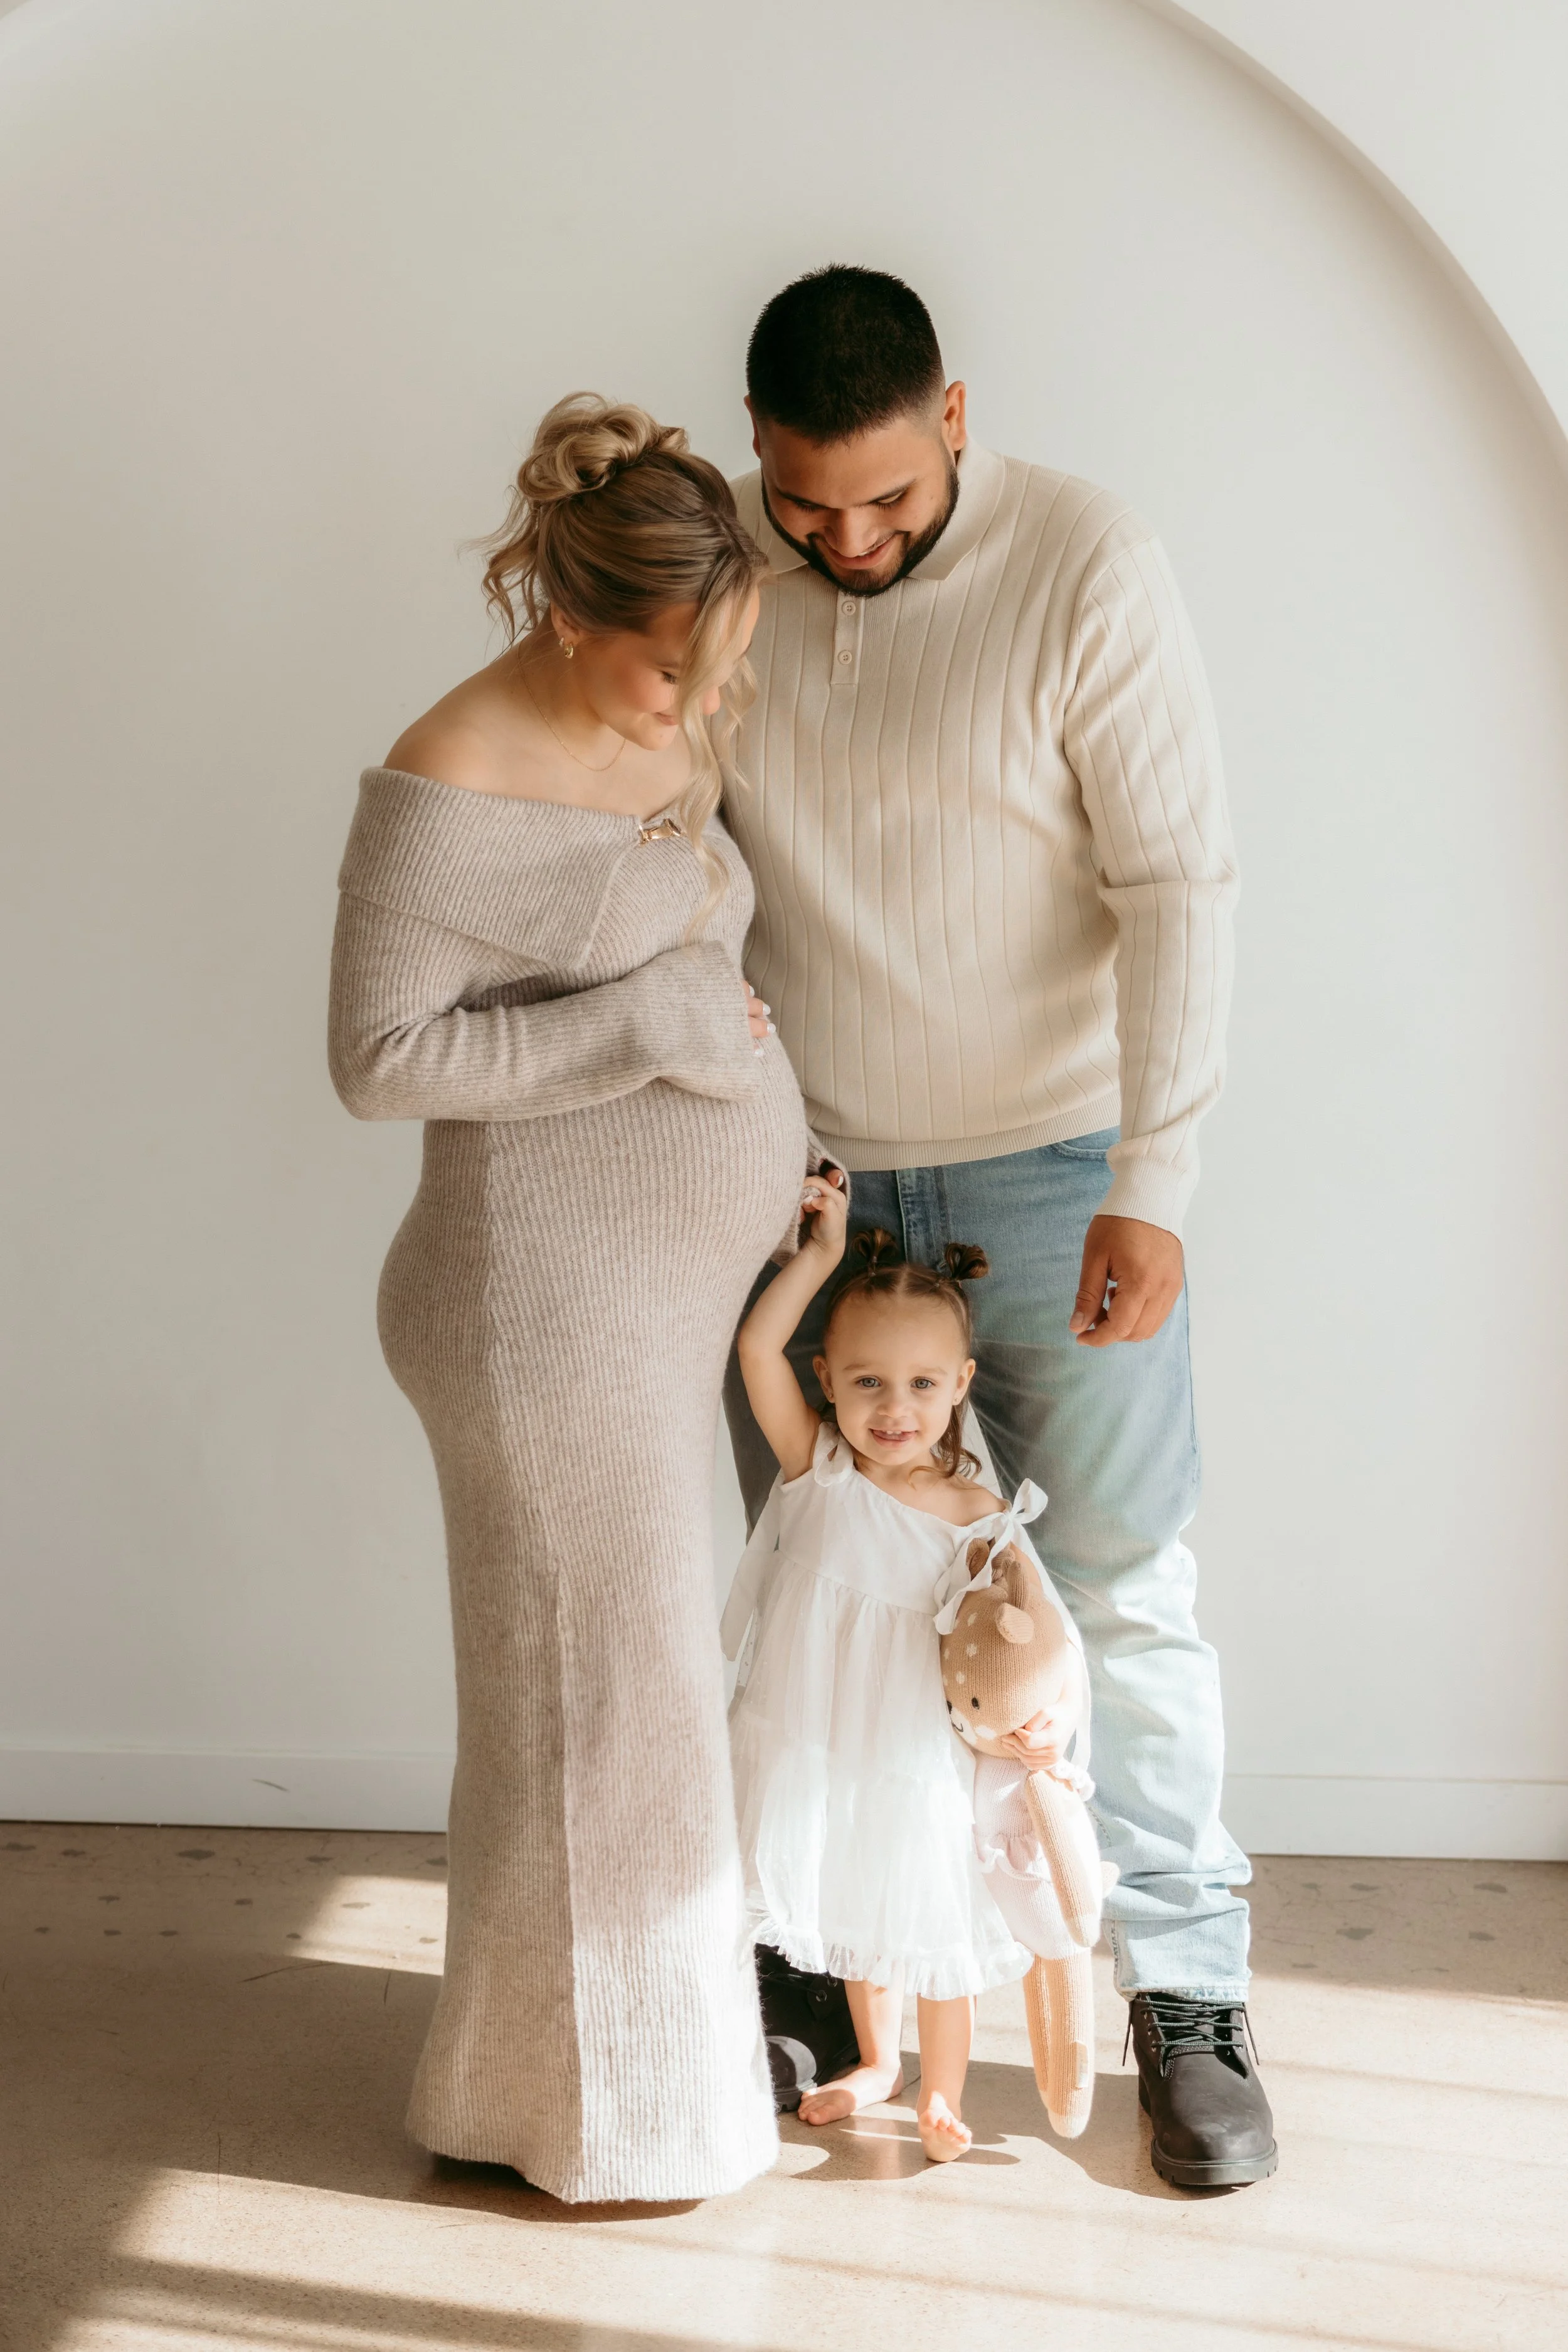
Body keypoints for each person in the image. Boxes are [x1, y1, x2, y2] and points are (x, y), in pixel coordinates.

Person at [721, 268, 1277, 2189]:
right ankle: (811, 1974)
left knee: (1109, 1586)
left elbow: (1178, 875)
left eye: (883, 497)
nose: (847, 540)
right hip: (818, 1180)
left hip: (1057, 1168)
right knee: (819, 1587)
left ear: (954, 419)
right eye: (807, 504)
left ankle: (1183, 1994)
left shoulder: (1081, 561)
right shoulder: (734, 573)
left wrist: (1158, 1179)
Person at [329, 394, 822, 2205]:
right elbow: (379, 1060)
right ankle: (621, 2117)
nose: (694, 709)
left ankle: (520, 2090)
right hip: (534, 1305)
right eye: (666, 671)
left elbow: (668, 923)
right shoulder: (446, 777)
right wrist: (653, 1023)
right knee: (608, 1716)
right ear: (564, 615)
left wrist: (766, 1147)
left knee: (591, 1708)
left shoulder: (656, 718)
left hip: (643, 1297)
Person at [726, 1179, 1088, 2163]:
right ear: (828, 1377)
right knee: (857, 1899)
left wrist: (1043, 1721)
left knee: (927, 1915)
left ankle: (947, 2089)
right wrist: (815, 1253)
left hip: (915, 1751)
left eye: (924, 1384)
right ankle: (878, 2061)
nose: (895, 1408)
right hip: (823, 1739)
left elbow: (1035, 1636)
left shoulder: (975, 1510)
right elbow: (755, 1350)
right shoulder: (817, 1471)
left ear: (962, 1382)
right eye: (869, 1382)